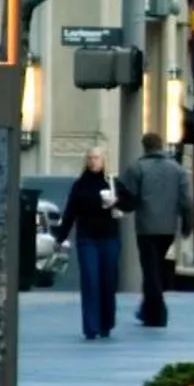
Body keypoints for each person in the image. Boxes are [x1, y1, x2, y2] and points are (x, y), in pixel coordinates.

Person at [56, 146, 123, 341]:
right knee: (90, 280)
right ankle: (91, 326)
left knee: (108, 281)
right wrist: (60, 237)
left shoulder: (112, 182)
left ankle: (106, 323)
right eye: (90, 158)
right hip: (87, 239)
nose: (93, 161)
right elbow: (70, 212)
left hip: (110, 238)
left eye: (97, 158)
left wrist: (116, 202)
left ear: (104, 160)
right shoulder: (80, 185)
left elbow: (131, 202)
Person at [126, 132, 192, 329]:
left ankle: (157, 312)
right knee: (157, 267)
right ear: (161, 145)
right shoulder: (177, 170)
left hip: (146, 227)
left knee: (150, 269)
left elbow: (129, 198)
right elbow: (186, 201)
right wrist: (187, 224)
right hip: (168, 228)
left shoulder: (137, 167)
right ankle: (148, 310)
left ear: (144, 146)